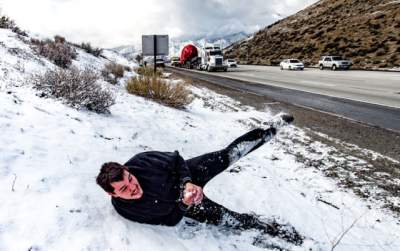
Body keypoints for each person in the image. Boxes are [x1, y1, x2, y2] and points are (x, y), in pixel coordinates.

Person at [96, 114, 303, 245]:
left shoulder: (142, 161)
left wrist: (187, 182)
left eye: (130, 179)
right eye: (124, 189)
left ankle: (271, 129)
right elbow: (168, 221)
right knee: (231, 220)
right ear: (111, 193)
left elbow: (176, 160)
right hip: (188, 205)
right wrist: (185, 203)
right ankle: (273, 228)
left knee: (230, 154)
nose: (133, 187)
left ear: (127, 169)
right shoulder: (126, 210)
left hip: (189, 173)